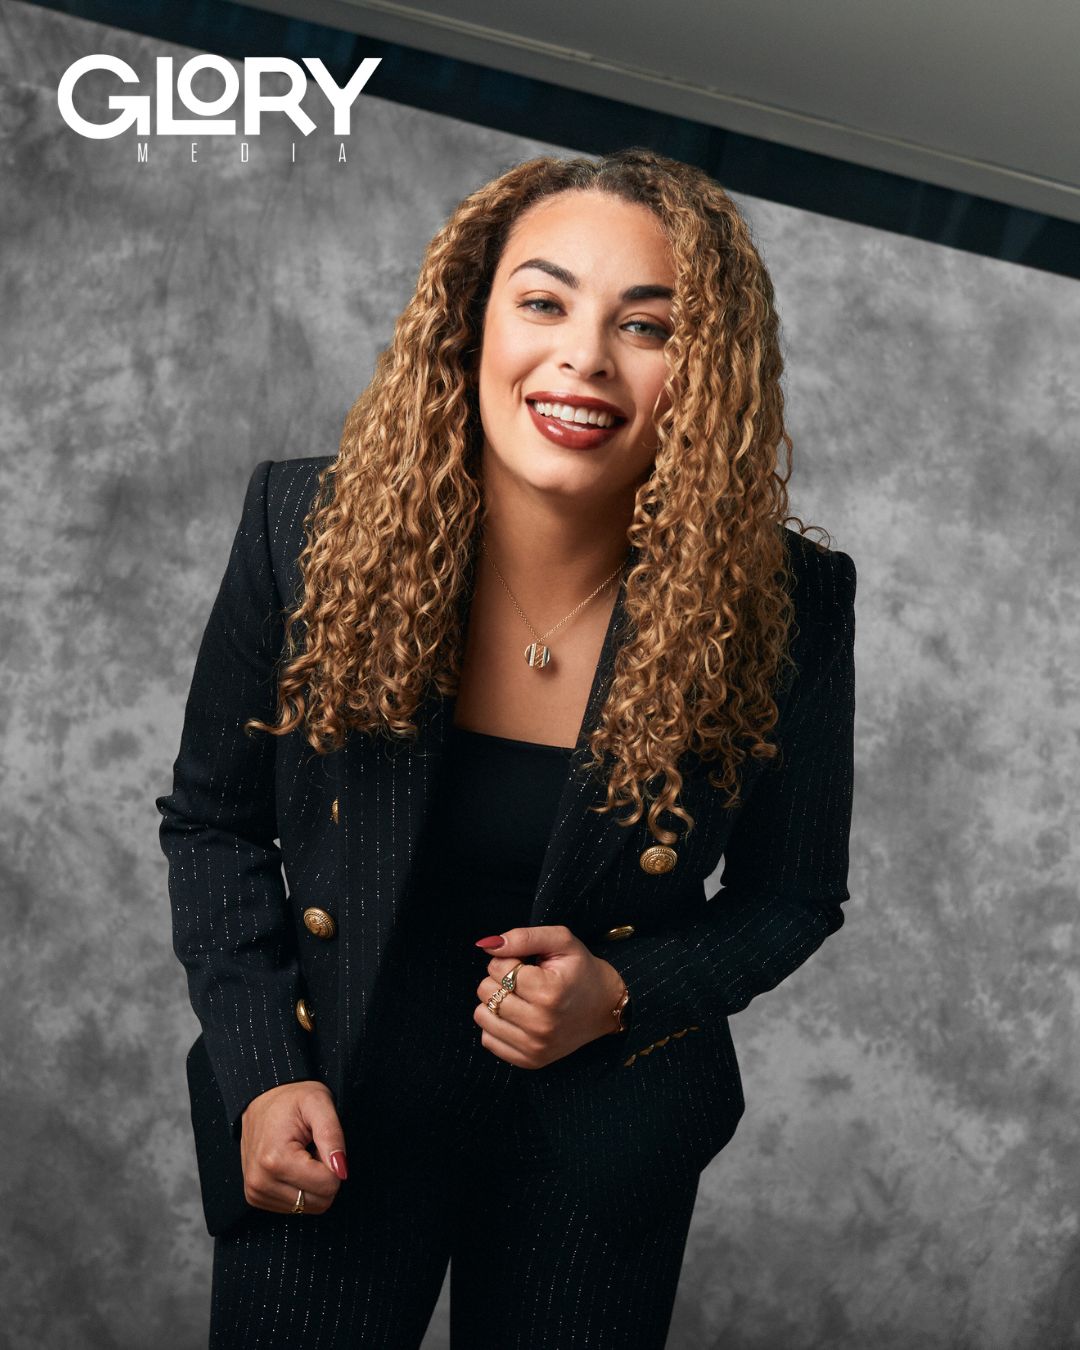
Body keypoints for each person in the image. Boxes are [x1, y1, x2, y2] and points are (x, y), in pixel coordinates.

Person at [156, 146, 857, 1349]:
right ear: (468, 322)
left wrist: (625, 993)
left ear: (710, 378)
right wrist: (266, 1071)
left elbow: (794, 894)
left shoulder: (788, 601)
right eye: (544, 301)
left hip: (599, 1142)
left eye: (648, 325)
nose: (583, 356)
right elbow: (214, 822)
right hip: (332, 1104)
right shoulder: (301, 529)